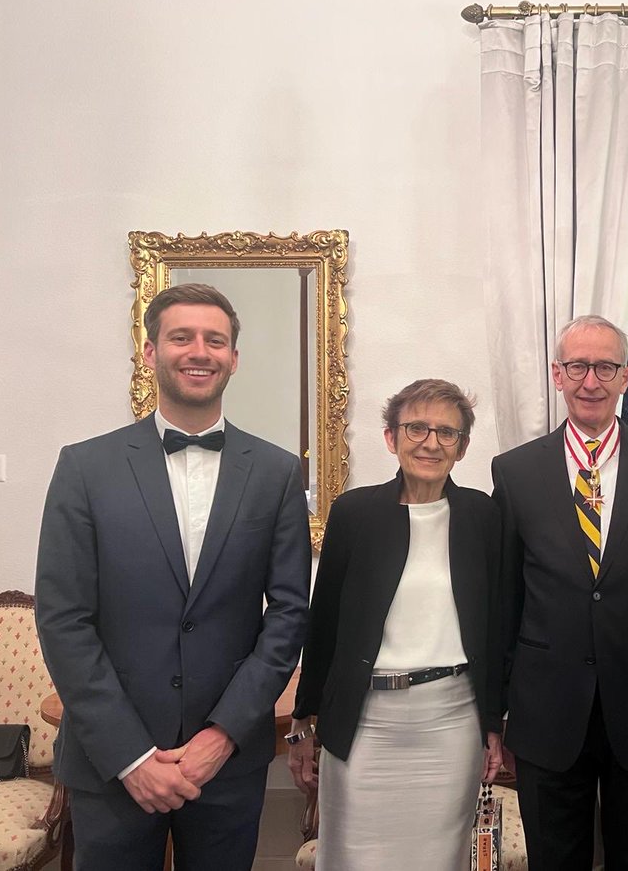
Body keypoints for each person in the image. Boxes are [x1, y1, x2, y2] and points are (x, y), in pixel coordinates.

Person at [35, 283, 311, 871]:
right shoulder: (83, 466)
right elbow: (64, 618)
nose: (199, 351)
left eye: (216, 340)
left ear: (234, 358)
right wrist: (130, 756)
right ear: (149, 350)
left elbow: (288, 613)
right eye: (181, 336)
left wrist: (224, 735)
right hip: (111, 762)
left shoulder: (277, 472)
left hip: (226, 762)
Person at [491, 314, 628, 871]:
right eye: (579, 366)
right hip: (546, 714)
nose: (592, 381)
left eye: (605, 367)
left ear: (627, 377)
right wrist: (496, 716)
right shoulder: (516, 471)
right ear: (558, 375)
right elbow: (504, 603)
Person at [288, 379, 503, 871]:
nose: (430, 442)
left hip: (451, 721)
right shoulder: (354, 513)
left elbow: (495, 628)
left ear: (463, 447)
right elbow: (324, 624)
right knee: (353, 858)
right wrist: (303, 721)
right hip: (365, 722)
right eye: (417, 428)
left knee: (437, 859)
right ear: (391, 437)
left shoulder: (483, 517)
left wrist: (494, 720)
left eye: (447, 432)